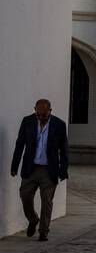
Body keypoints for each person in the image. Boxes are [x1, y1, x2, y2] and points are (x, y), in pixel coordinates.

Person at [10, 98, 69, 242]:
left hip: (49, 169)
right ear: (35, 110)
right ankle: (33, 219)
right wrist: (14, 166)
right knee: (25, 196)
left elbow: (64, 149)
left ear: (50, 111)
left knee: (47, 201)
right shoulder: (27, 121)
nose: (41, 117)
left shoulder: (59, 125)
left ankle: (43, 231)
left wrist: (63, 170)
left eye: (44, 115)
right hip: (30, 168)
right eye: (38, 114)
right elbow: (20, 144)